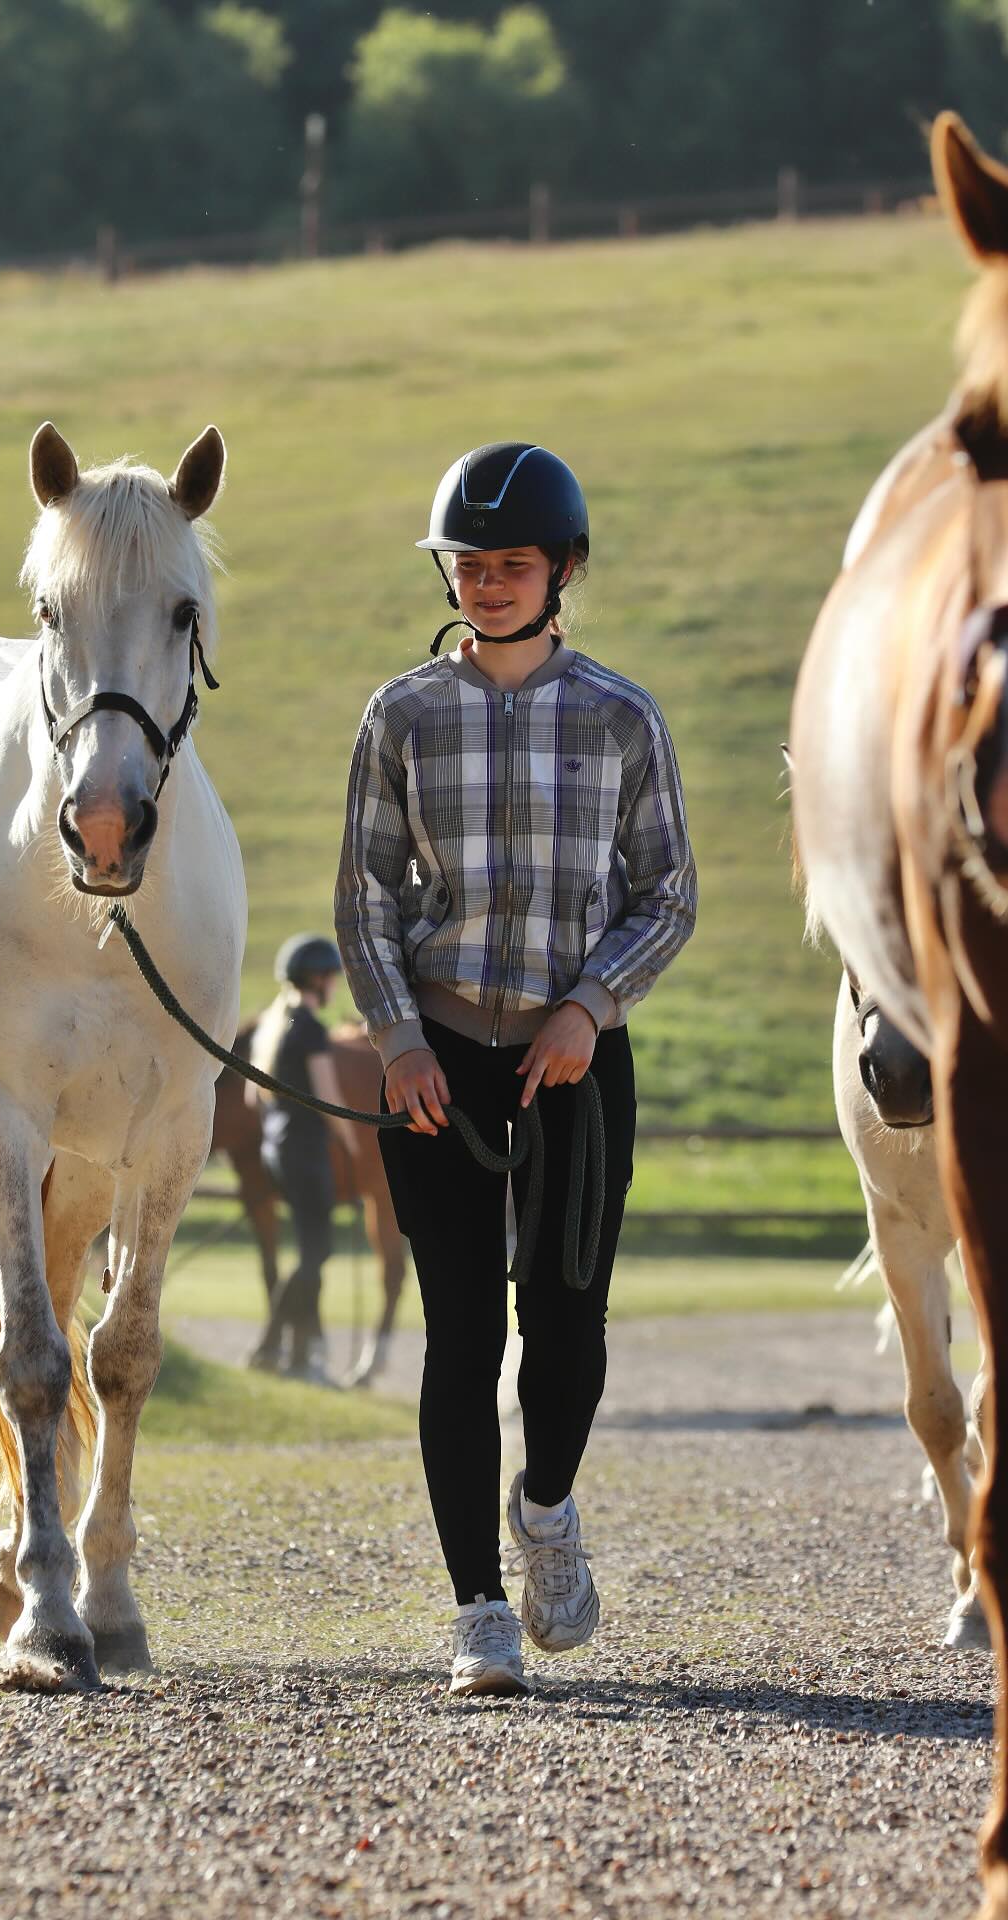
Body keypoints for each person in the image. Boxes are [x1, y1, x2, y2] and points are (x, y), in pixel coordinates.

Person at [334, 442, 696, 1696]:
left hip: (574, 1070)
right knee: (458, 1333)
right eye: (469, 565)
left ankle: (545, 1508)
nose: (487, 585)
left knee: (567, 1329)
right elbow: (365, 900)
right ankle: (477, 1609)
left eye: (512, 565)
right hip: (436, 1068)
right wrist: (395, 1038)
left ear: (565, 570)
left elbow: (670, 894)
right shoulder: (400, 717)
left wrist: (591, 1008)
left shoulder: (621, 716)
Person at [246, 934, 358, 1382]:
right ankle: (277, 1348)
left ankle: (288, 1351)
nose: (333, 984)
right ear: (318, 978)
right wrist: (350, 1141)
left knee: (310, 1253)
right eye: (331, 976)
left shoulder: (273, 1024)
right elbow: (328, 1098)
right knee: (316, 1252)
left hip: (278, 1151)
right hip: (307, 1154)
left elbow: (256, 1100)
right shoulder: (310, 1028)